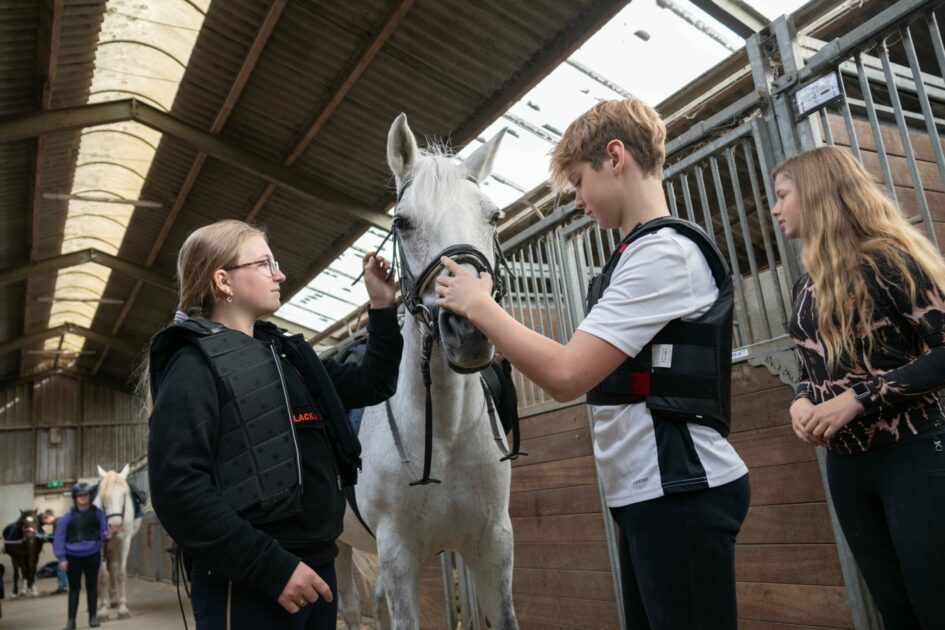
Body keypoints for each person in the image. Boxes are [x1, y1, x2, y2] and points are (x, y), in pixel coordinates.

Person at [435, 98, 750, 629]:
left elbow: (565, 375)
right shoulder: (631, 257)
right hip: (651, 494)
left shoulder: (663, 255)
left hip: (680, 494)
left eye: (580, 181)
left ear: (616, 156)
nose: (578, 200)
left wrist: (480, 307)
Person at [147, 220, 401, 630]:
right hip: (253, 580)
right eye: (265, 263)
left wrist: (383, 308)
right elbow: (178, 490)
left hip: (317, 568)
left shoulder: (289, 356)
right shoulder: (192, 364)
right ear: (223, 279)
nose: (280, 273)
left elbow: (374, 382)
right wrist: (272, 569)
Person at [773, 146, 945, 628]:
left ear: (816, 193)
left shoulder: (890, 258)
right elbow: (810, 366)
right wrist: (801, 401)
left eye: (783, 194)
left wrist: (859, 398)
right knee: (895, 612)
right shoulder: (805, 285)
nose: (775, 207)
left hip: (912, 453)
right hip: (848, 467)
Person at [53, 482, 107, 630]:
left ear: (90, 496)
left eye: (85, 495)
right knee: (74, 589)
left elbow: (103, 531)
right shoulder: (67, 516)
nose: (82, 497)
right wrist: (61, 558)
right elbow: (59, 537)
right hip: (72, 557)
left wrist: (107, 535)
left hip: (92, 555)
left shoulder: (98, 513)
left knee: (92, 587)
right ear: (75, 497)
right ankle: (71, 621)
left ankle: (93, 617)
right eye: (79, 495)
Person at [39, 509, 68, 594]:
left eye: (45, 520)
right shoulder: (58, 522)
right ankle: (65, 586)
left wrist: (45, 537)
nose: (46, 523)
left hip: (65, 549)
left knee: (61, 568)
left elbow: (58, 537)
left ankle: (62, 588)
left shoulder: (58, 522)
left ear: (49, 517)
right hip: (66, 548)